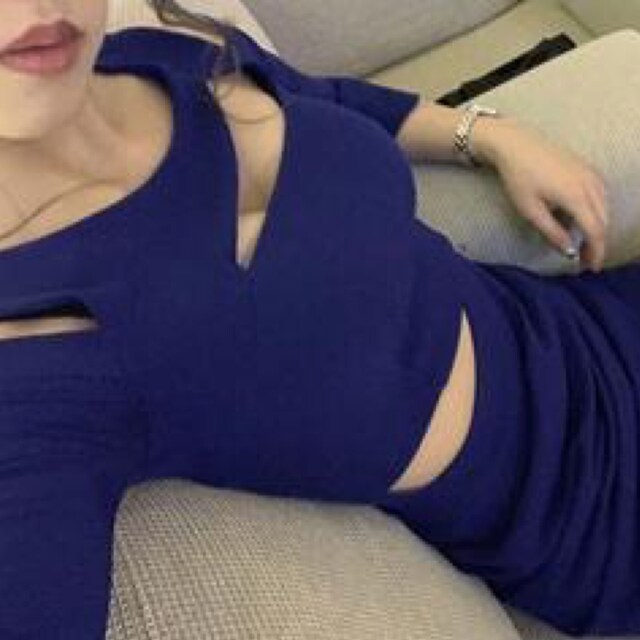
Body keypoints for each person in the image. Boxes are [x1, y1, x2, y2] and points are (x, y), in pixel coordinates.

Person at [0, 0, 637, 637]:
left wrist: (487, 135)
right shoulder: (32, 350)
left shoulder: (154, 54)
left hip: (583, 322)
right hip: (597, 509)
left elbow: (323, 100)